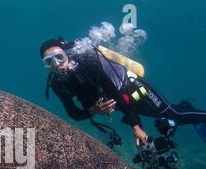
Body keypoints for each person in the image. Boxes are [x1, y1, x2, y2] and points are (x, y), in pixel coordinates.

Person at [40, 38, 206, 145]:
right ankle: (186, 106)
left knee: (173, 114)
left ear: (66, 54)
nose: (56, 64)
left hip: (132, 87)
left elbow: (111, 90)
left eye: (59, 57)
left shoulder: (86, 61)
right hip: (122, 103)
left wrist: (135, 127)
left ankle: (190, 112)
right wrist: (93, 110)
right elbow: (73, 113)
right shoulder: (57, 84)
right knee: (160, 121)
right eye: (49, 62)